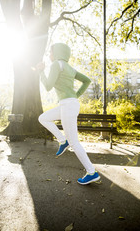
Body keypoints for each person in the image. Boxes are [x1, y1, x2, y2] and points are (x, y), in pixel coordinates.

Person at [37, 43, 100, 185]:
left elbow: (47, 86)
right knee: (43, 118)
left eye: (51, 52)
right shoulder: (70, 68)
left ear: (57, 52)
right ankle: (62, 140)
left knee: (74, 142)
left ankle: (92, 172)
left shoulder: (56, 65)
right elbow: (87, 80)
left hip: (68, 106)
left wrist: (41, 71)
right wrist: (76, 95)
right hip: (68, 104)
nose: (49, 55)